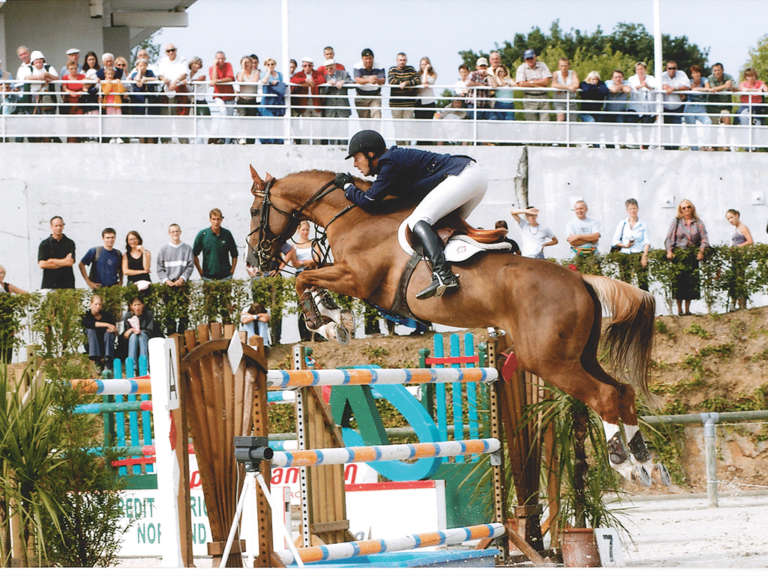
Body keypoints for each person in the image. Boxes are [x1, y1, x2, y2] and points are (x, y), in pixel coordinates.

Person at [334, 130, 487, 299]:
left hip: (462, 175)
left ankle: (443, 275)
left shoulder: (389, 162)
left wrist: (348, 187)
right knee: (445, 227)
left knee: (417, 221)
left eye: (356, 158)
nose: (355, 164)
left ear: (370, 154)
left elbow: (369, 201)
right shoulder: (391, 163)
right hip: (473, 177)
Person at [665, 199, 709, 316]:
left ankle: (688, 309)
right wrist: (669, 251)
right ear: (680, 210)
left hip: (691, 254)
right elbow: (669, 237)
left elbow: (704, 239)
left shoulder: (698, 223)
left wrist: (701, 251)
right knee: (679, 282)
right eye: (683, 208)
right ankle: (679, 309)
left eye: (688, 207)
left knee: (690, 282)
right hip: (679, 254)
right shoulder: (676, 221)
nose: (686, 209)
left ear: (692, 208)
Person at [157, 223, 195, 334]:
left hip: (182, 285)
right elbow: (160, 268)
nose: (175, 234)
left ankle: (182, 340)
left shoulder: (187, 249)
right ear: (169, 234)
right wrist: (166, 280)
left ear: (180, 232)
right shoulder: (163, 250)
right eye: (172, 232)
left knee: (183, 315)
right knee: (169, 316)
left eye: (177, 231)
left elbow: (190, 266)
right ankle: (171, 339)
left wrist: (182, 279)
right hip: (169, 286)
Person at [611, 199, 650, 292]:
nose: (632, 211)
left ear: (637, 209)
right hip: (625, 254)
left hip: (638, 253)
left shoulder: (643, 224)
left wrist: (644, 255)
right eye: (630, 209)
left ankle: (644, 304)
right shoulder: (623, 223)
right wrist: (625, 245)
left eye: (634, 208)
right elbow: (614, 241)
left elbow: (647, 241)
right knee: (625, 282)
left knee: (643, 283)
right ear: (627, 210)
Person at [193, 208, 239, 281]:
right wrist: (200, 272)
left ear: (221, 219)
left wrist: (232, 271)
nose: (216, 222)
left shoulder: (227, 234)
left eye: (218, 219)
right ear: (210, 220)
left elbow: (235, 255)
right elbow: (194, 255)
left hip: (225, 277)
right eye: (214, 219)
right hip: (208, 277)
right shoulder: (202, 235)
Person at [388, 53, 421, 145]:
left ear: (406, 60)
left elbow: (417, 81)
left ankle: (407, 147)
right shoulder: (392, 69)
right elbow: (392, 81)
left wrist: (405, 83)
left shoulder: (411, 69)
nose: (402, 62)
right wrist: (406, 84)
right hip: (396, 104)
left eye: (404, 60)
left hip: (408, 103)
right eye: (400, 60)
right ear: (397, 61)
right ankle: (400, 147)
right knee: (398, 127)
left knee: (408, 126)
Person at [725, 209, 754, 310]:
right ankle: (735, 302)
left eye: (731, 217)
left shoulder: (743, 228)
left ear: (737, 215)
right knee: (734, 279)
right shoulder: (736, 229)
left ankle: (741, 303)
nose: (730, 220)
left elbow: (750, 241)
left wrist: (738, 247)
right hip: (735, 258)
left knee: (738, 279)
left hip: (740, 258)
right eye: (728, 219)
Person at [319, 59, 352, 145]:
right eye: (327, 68)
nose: (329, 70)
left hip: (342, 108)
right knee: (332, 131)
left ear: (335, 67)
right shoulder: (325, 78)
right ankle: (333, 150)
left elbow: (353, 83)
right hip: (330, 110)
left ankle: (344, 150)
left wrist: (343, 82)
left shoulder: (343, 74)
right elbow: (321, 94)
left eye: (331, 68)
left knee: (343, 130)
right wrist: (327, 85)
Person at [38, 216, 76, 289]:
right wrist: (64, 261)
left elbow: (70, 263)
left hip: (67, 285)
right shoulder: (44, 244)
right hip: (49, 285)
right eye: (56, 226)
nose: (58, 228)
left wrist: (52, 261)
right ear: (51, 227)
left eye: (60, 225)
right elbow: (42, 264)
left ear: (63, 226)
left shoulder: (69, 243)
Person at [515, 49, 552, 121]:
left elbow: (546, 82)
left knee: (545, 123)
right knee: (531, 124)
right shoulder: (522, 68)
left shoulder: (542, 65)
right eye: (527, 58)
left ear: (535, 57)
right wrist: (538, 83)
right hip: (529, 97)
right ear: (525, 59)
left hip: (543, 96)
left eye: (531, 58)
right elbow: (521, 84)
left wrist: (530, 82)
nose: (529, 60)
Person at [82, 294, 117, 370]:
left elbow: (114, 328)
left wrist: (111, 329)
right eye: (96, 304)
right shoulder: (87, 315)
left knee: (109, 333)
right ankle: (96, 360)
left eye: (100, 304)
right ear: (91, 305)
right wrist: (107, 325)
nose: (98, 306)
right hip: (92, 345)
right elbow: (89, 324)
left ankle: (108, 360)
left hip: (105, 344)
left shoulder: (106, 315)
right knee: (90, 330)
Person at [661, 60, 690, 149]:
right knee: (666, 133)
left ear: (676, 68)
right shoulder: (662, 75)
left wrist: (673, 89)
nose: (672, 70)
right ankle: (667, 152)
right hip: (665, 109)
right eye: (670, 68)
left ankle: (675, 151)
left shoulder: (681, 74)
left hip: (677, 108)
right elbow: (661, 87)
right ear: (666, 68)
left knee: (678, 131)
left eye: (674, 68)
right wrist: (679, 92)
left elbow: (687, 87)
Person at [209, 51, 236, 144]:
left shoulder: (228, 65)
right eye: (218, 58)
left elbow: (231, 78)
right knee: (223, 111)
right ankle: (222, 137)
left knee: (229, 117)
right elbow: (213, 79)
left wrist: (219, 81)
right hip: (218, 95)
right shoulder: (211, 68)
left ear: (225, 59)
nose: (220, 60)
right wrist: (214, 65)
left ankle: (228, 140)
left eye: (222, 58)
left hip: (229, 95)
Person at [684, 65, 712, 151]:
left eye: (697, 72)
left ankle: (704, 144)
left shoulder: (704, 80)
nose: (696, 75)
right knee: (691, 128)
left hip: (700, 106)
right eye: (693, 73)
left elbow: (708, 88)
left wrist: (697, 89)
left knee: (708, 122)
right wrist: (702, 89)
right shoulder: (689, 81)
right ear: (691, 74)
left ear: (700, 73)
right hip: (690, 106)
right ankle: (694, 148)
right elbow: (692, 89)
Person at [353, 48, 386, 119]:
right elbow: (357, 80)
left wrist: (377, 80)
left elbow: (383, 80)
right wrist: (369, 80)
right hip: (361, 97)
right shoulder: (357, 66)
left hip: (375, 96)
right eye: (366, 59)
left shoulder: (379, 66)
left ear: (373, 58)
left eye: (370, 58)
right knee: (364, 120)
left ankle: (376, 130)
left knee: (377, 115)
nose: (368, 61)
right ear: (362, 59)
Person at [259, 58, 285, 144]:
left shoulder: (280, 74)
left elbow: (283, 84)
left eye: (272, 64)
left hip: (277, 100)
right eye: (268, 64)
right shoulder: (263, 73)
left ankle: (278, 140)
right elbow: (264, 81)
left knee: (277, 121)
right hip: (267, 100)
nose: (271, 66)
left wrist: (276, 83)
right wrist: (269, 72)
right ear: (265, 65)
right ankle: (268, 140)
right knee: (268, 121)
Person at [122, 296, 154, 365]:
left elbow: (150, 330)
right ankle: (132, 366)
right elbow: (125, 334)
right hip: (133, 337)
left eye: (139, 304)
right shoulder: (128, 316)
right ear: (131, 306)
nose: (137, 307)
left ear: (143, 305)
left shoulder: (148, 314)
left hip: (145, 336)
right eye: (135, 305)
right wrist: (133, 330)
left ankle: (145, 365)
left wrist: (137, 331)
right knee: (133, 336)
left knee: (141, 336)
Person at [236, 55, 260, 144]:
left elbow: (254, 81)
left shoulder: (256, 72)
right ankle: (241, 137)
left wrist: (246, 83)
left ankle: (251, 141)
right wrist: (243, 69)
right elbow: (240, 81)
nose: (246, 64)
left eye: (248, 62)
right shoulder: (240, 73)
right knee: (242, 117)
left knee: (251, 121)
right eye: (244, 63)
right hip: (242, 100)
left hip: (252, 100)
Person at [187, 57, 209, 144]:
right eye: (195, 64)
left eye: (198, 64)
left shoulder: (202, 74)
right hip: (190, 101)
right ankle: (192, 140)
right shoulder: (187, 74)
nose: (196, 66)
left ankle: (201, 141)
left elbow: (200, 80)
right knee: (192, 121)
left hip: (200, 100)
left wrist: (189, 81)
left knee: (203, 122)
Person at [551, 57, 579, 123]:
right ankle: (558, 133)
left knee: (573, 122)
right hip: (559, 102)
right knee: (560, 118)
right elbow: (553, 84)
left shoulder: (573, 73)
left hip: (571, 102)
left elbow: (576, 84)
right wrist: (568, 87)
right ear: (559, 66)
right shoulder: (556, 73)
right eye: (562, 66)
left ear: (569, 66)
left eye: (565, 66)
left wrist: (560, 87)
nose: (564, 68)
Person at [415, 56, 438, 123]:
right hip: (419, 101)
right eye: (422, 64)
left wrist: (425, 70)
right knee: (419, 123)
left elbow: (425, 82)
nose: (423, 66)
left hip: (429, 101)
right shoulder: (417, 75)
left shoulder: (433, 75)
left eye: (425, 64)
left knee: (428, 123)